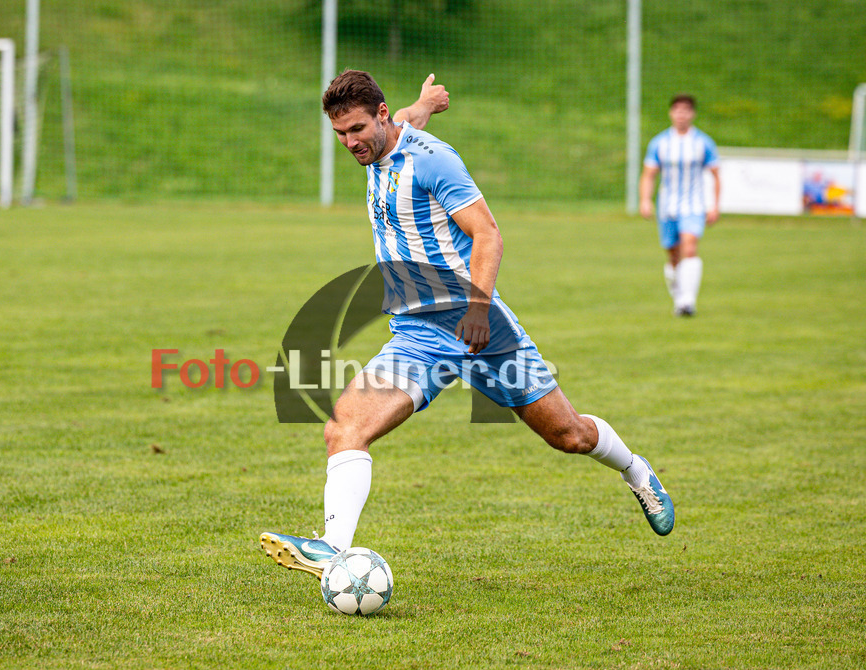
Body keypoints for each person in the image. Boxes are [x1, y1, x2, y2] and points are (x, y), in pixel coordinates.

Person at [261, 70, 674, 580]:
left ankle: (636, 470)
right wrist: (426, 101)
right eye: (340, 134)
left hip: (479, 325)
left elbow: (488, 235)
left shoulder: (436, 161)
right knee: (344, 427)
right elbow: (408, 118)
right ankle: (332, 547)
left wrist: (478, 310)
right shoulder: (383, 137)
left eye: (357, 130)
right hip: (417, 333)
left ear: (381, 116)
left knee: (568, 435)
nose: (350, 143)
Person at [639, 94, 721, 317]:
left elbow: (715, 175)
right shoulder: (660, 143)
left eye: (686, 110)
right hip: (667, 206)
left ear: (692, 114)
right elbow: (648, 174)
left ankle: (688, 301)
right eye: (677, 110)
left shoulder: (703, 142)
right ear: (671, 113)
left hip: (694, 205)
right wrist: (645, 200)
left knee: (690, 245)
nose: (681, 114)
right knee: (673, 255)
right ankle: (679, 298)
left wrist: (714, 205)